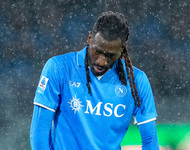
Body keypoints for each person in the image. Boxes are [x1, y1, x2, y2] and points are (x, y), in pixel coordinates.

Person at [30, 11, 159, 150]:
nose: (101, 61)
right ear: (90, 38)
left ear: (122, 49)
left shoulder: (137, 81)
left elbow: (150, 140)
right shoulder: (59, 68)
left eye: (110, 55)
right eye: (97, 51)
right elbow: (39, 133)